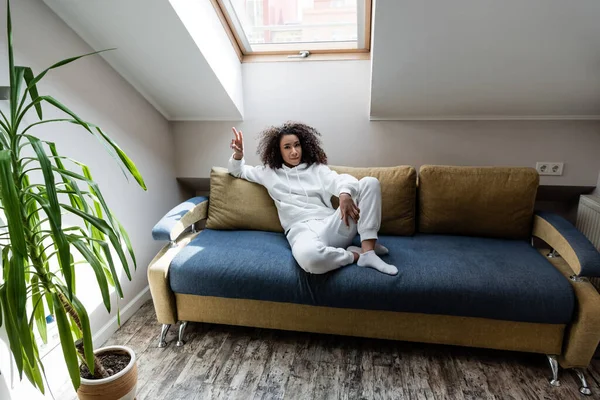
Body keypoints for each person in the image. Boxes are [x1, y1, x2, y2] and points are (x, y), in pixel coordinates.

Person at [228, 122, 398, 276]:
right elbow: (239, 171)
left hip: (332, 224)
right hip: (300, 231)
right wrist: (238, 155)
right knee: (310, 259)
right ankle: (356, 254)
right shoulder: (268, 172)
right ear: (278, 151)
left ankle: (369, 251)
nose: (294, 151)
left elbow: (340, 180)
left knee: (369, 183)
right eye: (287, 147)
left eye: (297, 145)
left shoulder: (316, 169)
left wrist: (344, 193)